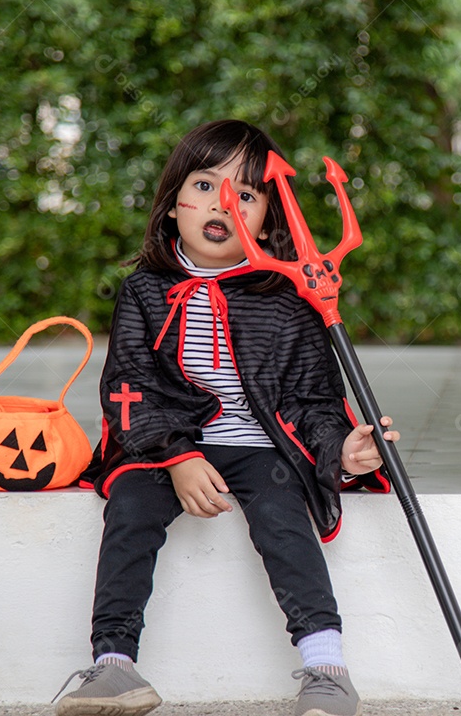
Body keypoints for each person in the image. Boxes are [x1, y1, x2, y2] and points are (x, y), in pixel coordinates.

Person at [53, 119, 397, 716]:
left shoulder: (290, 300)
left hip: (261, 447)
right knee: (130, 509)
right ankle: (113, 665)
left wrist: (343, 450)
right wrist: (177, 457)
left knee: (283, 515)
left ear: (268, 220)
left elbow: (313, 398)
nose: (224, 203)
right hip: (167, 447)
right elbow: (130, 386)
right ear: (172, 205)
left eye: (247, 193)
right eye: (205, 184)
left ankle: (326, 668)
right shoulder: (143, 292)